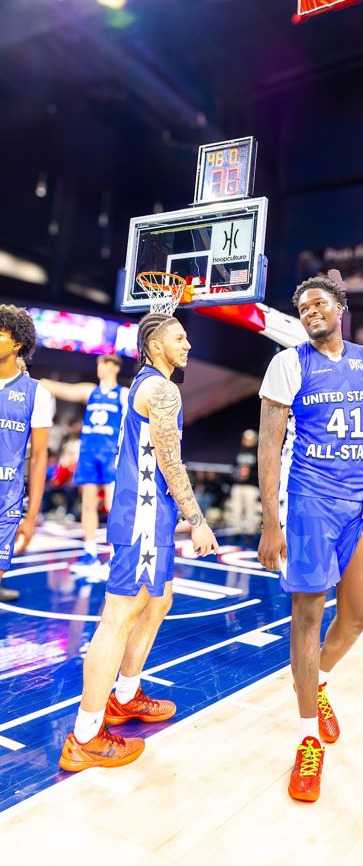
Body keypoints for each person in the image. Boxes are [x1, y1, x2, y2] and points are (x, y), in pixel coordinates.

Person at [257, 275, 363, 803]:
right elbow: (269, 447)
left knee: (360, 614)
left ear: (340, 308)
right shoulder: (288, 363)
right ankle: (307, 740)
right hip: (309, 503)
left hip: (358, 505)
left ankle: (315, 680)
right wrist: (271, 522)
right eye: (303, 307)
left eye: (319, 303)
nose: (310, 311)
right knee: (307, 617)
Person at [58, 312, 219, 772]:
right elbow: (170, 461)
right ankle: (85, 736)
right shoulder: (162, 390)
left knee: (160, 600)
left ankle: (125, 696)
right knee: (118, 618)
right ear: (154, 345)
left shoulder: (148, 384)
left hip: (152, 516)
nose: (188, 345)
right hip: (143, 518)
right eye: (179, 338)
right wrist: (197, 519)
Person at [41, 356, 128, 573]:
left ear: (115, 368)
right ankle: (90, 553)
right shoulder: (90, 391)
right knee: (88, 504)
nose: (99, 367)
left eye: (104, 364)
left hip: (111, 455)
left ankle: (117, 555)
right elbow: (63, 389)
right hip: (89, 454)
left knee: (113, 506)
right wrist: (37, 382)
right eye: (98, 364)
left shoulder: (123, 394)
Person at [0, 306, 52, 602]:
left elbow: (39, 457)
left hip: (7, 501)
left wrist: (31, 517)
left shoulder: (37, 394)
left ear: (17, 343)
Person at [227, 428, 260, 533]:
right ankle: (236, 530)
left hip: (251, 486)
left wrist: (250, 475)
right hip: (238, 484)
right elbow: (233, 468)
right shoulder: (239, 452)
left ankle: (250, 532)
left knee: (250, 508)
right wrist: (238, 475)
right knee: (236, 509)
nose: (247, 441)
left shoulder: (258, 453)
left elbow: (260, 471)